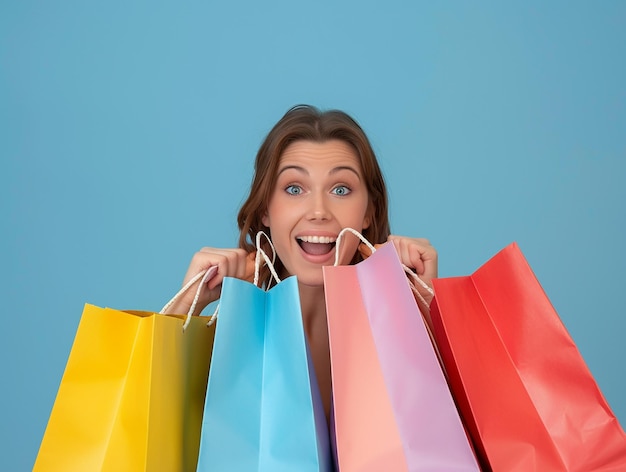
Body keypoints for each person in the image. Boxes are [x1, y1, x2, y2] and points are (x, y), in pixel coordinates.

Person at [165, 104, 438, 422]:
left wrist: (425, 310)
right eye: (294, 189)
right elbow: (141, 427)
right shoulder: (228, 333)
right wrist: (187, 300)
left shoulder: (395, 327)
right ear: (265, 209)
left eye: (340, 189)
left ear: (369, 213)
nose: (318, 211)